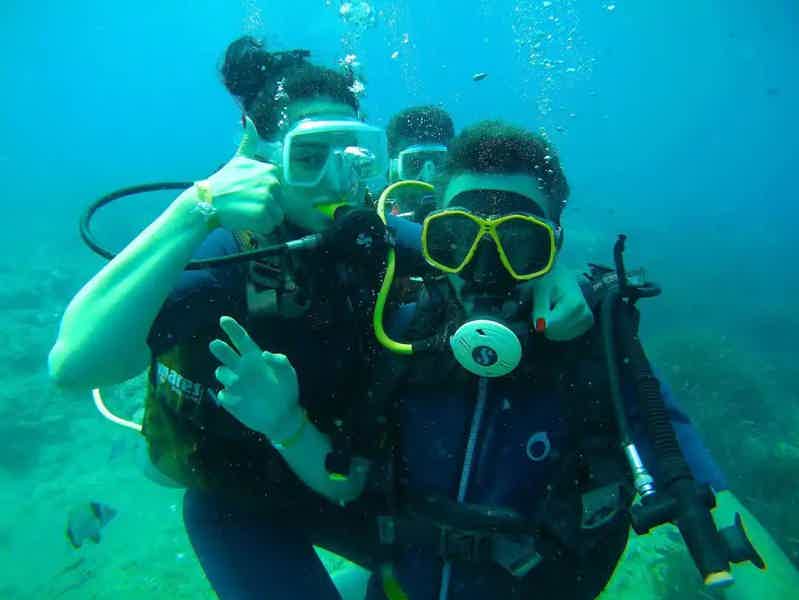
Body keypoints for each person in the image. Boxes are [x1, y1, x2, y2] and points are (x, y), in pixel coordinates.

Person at [47, 36, 589, 597]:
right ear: (264, 159)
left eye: (352, 156)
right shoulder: (229, 258)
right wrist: (196, 207)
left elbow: (476, 252)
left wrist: (554, 269)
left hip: (336, 474)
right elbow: (73, 366)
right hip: (238, 495)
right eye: (307, 159)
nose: (336, 181)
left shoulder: (372, 240)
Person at [212, 121, 799, 599]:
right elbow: (347, 486)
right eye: (456, 238)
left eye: (520, 243)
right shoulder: (400, 335)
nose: (483, 269)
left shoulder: (595, 355)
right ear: (430, 239)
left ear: (554, 246)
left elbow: (711, 502)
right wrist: (283, 422)